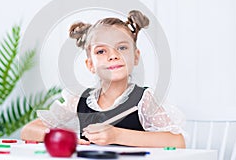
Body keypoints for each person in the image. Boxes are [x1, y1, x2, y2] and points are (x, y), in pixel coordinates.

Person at [21, 10, 186, 148]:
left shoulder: (144, 100)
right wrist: (66, 139)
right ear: (90, 64)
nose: (113, 56)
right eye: (101, 51)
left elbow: (177, 142)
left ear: (135, 57)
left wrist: (117, 135)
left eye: (121, 47)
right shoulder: (80, 100)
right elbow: (28, 131)